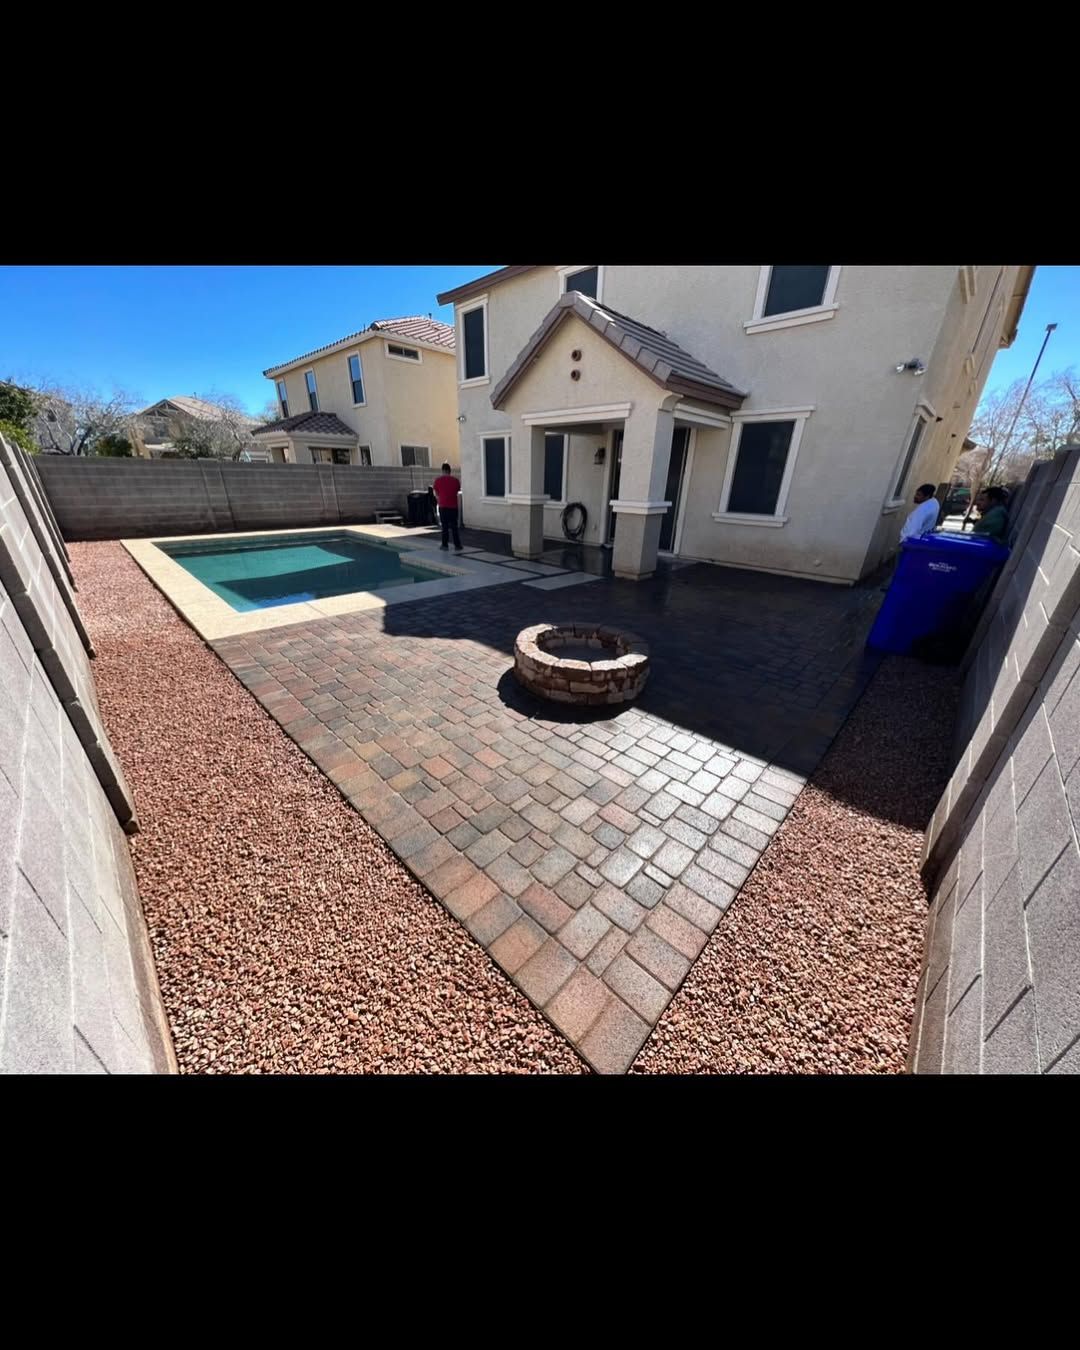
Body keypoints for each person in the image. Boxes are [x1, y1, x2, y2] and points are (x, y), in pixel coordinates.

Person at [432, 461, 463, 552]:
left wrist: (439, 498)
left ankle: (445, 545)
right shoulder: (456, 481)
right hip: (453, 507)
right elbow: (457, 491)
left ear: (443, 471)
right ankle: (457, 545)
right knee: (454, 527)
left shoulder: (438, 480)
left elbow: (436, 493)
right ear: (450, 471)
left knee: (444, 527)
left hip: (443, 507)